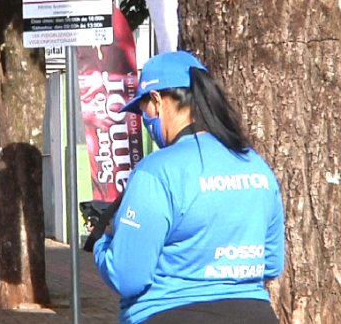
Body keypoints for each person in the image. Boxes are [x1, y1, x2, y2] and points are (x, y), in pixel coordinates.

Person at [92, 51, 284, 324]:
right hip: (256, 314)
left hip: (169, 313)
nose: (145, 118)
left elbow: (127, 277)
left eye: (143, 108)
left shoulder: (157, 171)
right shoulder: (256, 166)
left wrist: (103, 240)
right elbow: (272, 263)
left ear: (157, 100)